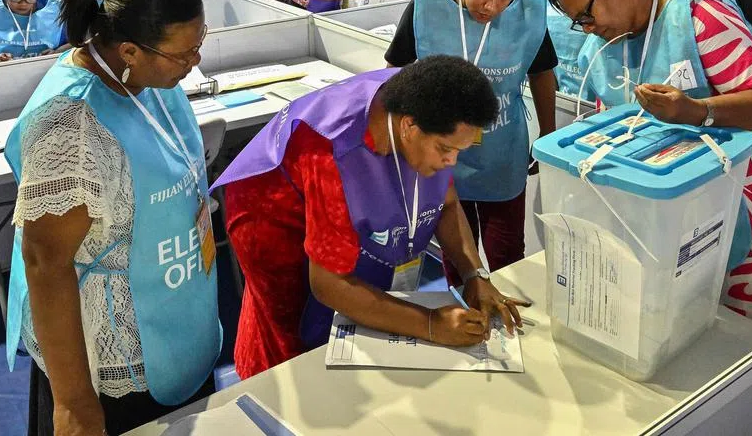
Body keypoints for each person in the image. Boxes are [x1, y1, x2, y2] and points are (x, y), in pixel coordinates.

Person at [5, 0, 221, 436]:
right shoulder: (72, 128)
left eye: (199, 44)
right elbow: (45, 263)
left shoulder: (149, 78)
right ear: (128, 49)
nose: (195, 62)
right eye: (185, 53)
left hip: (176, 311)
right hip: (112, 358)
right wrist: (75, 403)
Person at [213, 55, 528, 378]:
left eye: (461, 150)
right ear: (408, 127)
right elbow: (329, 284)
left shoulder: (429, 106)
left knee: (364, 303)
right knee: (292, 331)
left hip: (338, 180)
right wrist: (429, 324)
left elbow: (446, 204)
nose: (451, 161)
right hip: (274, 213)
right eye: (446, 149)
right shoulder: (334, 152)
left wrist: (474, 274)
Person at [548, 0, 752, 330]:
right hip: (655, 205)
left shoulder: (700, 19)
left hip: (731, 192)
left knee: (737, 327)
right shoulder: (601, 45)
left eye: (586, 15)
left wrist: (698, 111)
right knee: (669, 324)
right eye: (578, 22)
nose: (588, 28)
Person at [385, 0, 558, 281]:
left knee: (507, 255)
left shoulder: (528, 13)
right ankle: (467, 320)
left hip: (503, 152)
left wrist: (548, 133)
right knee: (458, 254)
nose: (492, 6)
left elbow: (542, 73)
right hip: (441, 156)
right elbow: (392, 75)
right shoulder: (426, 7)